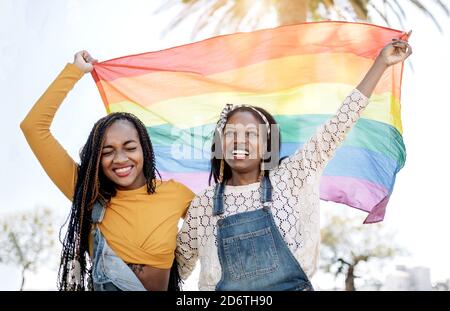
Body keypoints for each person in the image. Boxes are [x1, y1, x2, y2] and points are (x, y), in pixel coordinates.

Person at [175, 35, 413, 290]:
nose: (239, 141)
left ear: (267, 145)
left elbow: (337, 127)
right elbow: (175, 268)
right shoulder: (204, 204)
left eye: (251, 134)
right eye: (231, 134)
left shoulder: (290, 178)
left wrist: (381, 64)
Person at [20, 51, 194, 291]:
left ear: (144, 149)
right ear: (96, 159)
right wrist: (74, 71)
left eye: (129, 147)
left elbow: (218, 222)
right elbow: (33, 127)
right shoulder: (89, 194)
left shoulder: (176, 194)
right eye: (107, 151)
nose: (120, 159)